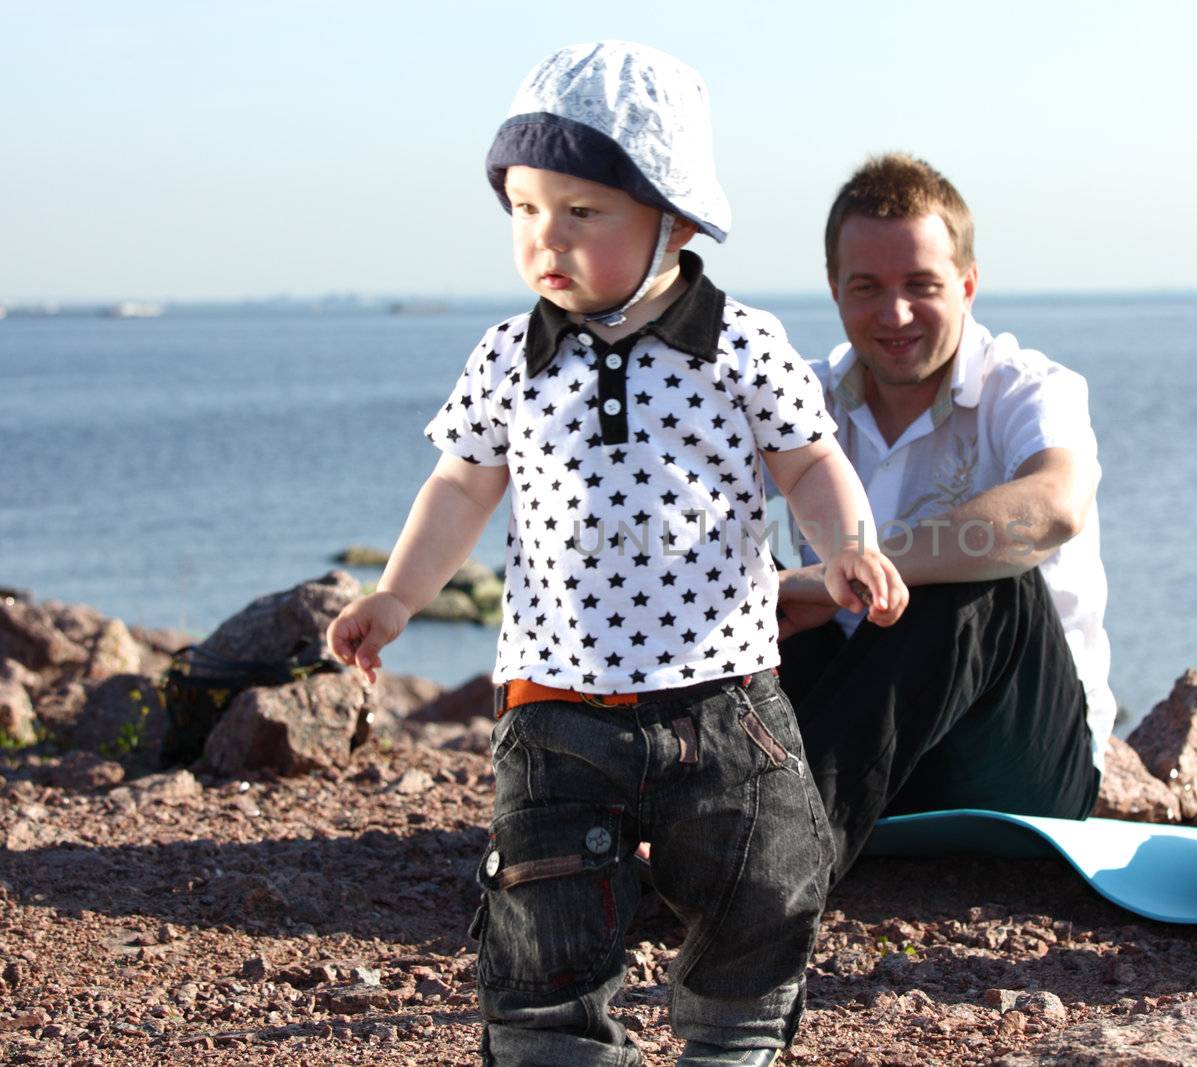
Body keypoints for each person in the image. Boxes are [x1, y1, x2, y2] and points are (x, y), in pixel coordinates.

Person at [324, 42, 907, 1067]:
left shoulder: (740, 343)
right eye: (524, 210)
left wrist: (847, 543)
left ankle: (730, 1037)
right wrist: (398, 596)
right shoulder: (510, 354)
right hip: (554, 696)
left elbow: (808, 462)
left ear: (672, 218)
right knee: (545, 906)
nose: (545, 239)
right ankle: (558, 1046)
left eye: (581, 212)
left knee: (766, 872)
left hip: (723, 690)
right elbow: (462, 483)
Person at [774, 154, 1114, 882]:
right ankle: (632, 812)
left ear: (967, 284)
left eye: (921, 286)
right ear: (835, 289)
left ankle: (781, 860)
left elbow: (1057, 505)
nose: (894, 314)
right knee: (719, 562)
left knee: (985, 570)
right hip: (852, 733)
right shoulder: (800, 398)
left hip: (1010, 763)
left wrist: (839, 574)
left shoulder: (1027, 388)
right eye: (867, 287)